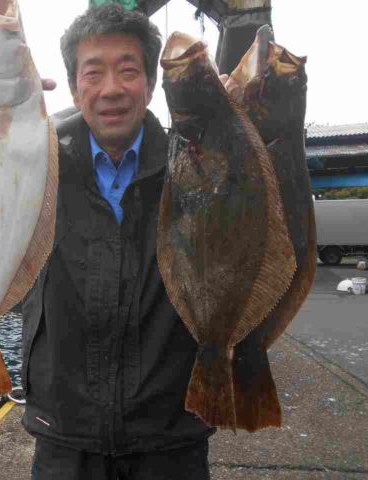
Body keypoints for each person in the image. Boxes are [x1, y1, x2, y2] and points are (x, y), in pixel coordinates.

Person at [22, 4, 215, 479]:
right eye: (93, 73)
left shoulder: (196, 168)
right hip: (64, 439)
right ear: (74, 88)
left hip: (171, 439)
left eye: (128, 71)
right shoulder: (32, 166)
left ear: (150, 86)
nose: (111, 88)